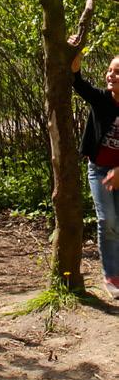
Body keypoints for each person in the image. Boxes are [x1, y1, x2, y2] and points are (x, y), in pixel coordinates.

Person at [69, 38, 119, 300]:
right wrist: (74, 52)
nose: (111, 75)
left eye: (117, 72)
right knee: (107, 220)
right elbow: (77, 80)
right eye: (110, 70)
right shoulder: (101, 100)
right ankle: (112, 275)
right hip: (99, 170)